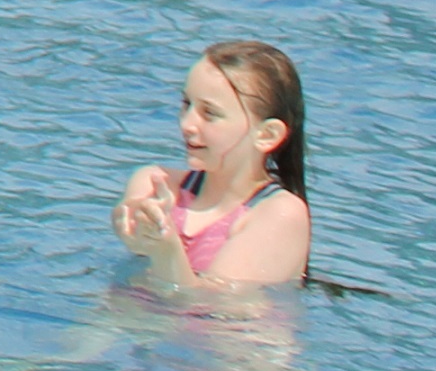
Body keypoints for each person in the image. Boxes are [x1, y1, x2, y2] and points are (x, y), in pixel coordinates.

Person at [117, 44, 312, 290]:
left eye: (209, 114)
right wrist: (132, 224)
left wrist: (165, 246)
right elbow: (131, 222)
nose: (187, 124)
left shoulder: (280, 215)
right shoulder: (156, 183)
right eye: (187, 104)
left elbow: (206, 310)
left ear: (266, 135)